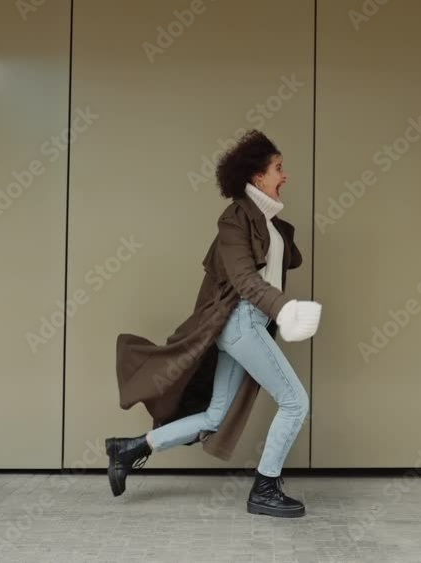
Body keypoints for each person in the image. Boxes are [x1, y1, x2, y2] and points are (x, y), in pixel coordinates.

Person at [107, 130, 322, 518]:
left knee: (214, 415)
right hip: (242, 323)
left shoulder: (269, 223)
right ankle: (265, 487)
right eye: (278, 168)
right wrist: (284, 309)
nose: (284, 175)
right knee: (295, 402)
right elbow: (245, 281)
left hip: (249, 323)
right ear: (257, 177)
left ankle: (130, 449)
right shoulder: (236, 218)